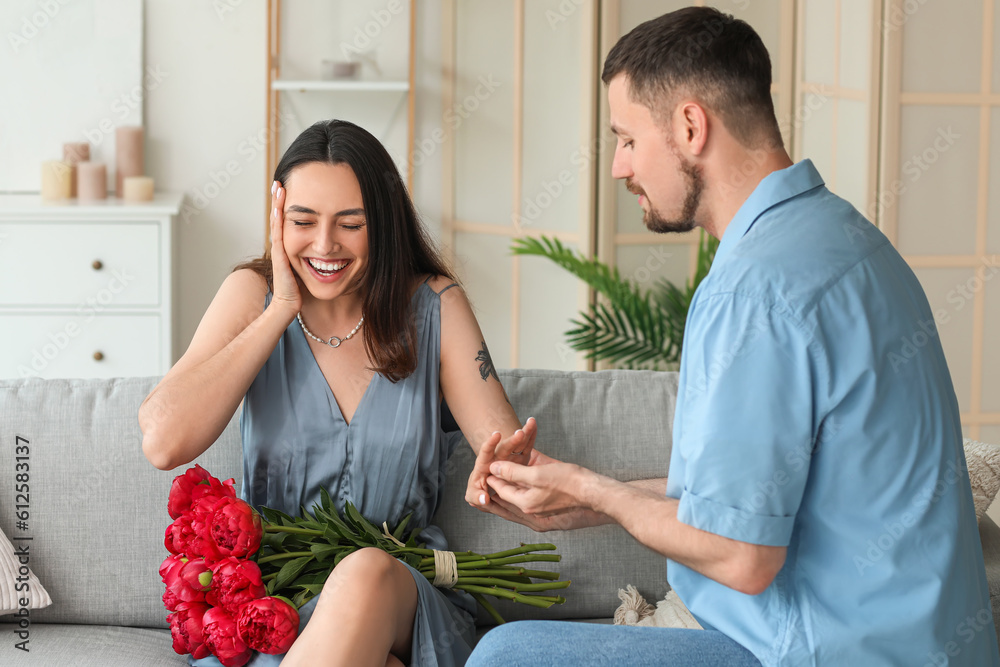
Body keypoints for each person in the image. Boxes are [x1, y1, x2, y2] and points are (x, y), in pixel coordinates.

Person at [464, 7, 1000, 667]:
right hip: (930, 644)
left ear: (690, 126)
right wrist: (584, 490)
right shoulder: (851, 242)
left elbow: (741, 556)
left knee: (505, 657)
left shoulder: (756, 289)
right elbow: (770, 486)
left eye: (627, 139)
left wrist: (597, 491)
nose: (617, 166)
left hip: (830, 651)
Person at [140, 119, 536, 667]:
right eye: (303, 221)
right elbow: (163, 441)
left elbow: (507, 454)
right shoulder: (251, 295)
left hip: (399, 598)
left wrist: (509, 468)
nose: (325, 246)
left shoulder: (435, 306)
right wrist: (279, 310)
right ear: (278, 219)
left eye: (351, 224)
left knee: (366, 570)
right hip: (276, 607)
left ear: (385, 225)